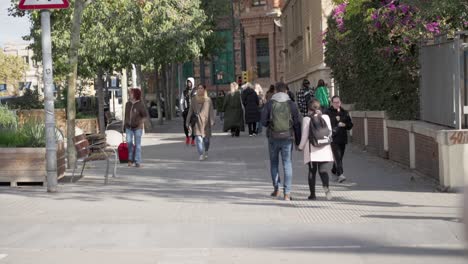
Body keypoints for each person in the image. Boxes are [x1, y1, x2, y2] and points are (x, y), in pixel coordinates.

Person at [261, 82, 301, 201]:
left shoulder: (270, 103)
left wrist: (270, 124)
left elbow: (263, 121)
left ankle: (276, 189)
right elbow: (297, 123)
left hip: (273, 137)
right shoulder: (292, 104)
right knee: (287, 164)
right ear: (286, 91)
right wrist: (298, 141)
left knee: (274, 163)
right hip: (287, 138)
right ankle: (287, 193)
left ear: (275, 91)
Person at [298, 99, 334, 200]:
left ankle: (312, 194)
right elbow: (330, 132)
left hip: (312, 150)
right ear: (319, 108)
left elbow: (304, 136)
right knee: (323, 170)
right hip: (324, 147)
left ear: (309, 109)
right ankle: (327, 191)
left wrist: (300, 147)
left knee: (312, 171)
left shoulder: (307, 119)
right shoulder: (326, 117)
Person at [186, 84, 215, 161]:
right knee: (198, 139)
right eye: (198, 88)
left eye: (201, 88)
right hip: (197, 122)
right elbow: (190, 111)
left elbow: (211, 111)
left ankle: (206, 151)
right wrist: (187, 121)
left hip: (206, 123)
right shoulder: (194, 99)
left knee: (206, 141)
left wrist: (212, 120)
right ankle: (201, 154)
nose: (200, 89)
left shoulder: (208, 100)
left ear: (204, 90)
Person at [327, 95, 353, 183]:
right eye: (335, 102)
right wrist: (335, 119)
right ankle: (340, 174)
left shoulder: (344, 112)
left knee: (340, 157)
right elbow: (325, 123)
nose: (337, 104)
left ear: (340, 102)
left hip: (342, 138)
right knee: (337, 157)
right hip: (333, 138)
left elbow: (350, 125)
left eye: (338, 102)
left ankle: (334, 170)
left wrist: (345, 125)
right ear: (332, 103)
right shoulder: (328, 112)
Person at [124, 88, 148, 168]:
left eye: (131, 93)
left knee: (137, 145)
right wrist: (124, 124)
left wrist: (140, 123)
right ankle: (130, 159)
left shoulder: (140, 104)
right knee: (129, 143)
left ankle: (137, 162)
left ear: (135, 95)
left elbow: (145, 116)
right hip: (128, 127)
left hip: (138, 128)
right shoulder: (127, 104)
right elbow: (126, 116)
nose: (129, 94)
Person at [180, 77, 196, 146]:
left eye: (190, 82)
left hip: (194, 110)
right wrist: (182, 110)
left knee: (193, 125)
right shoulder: (184, 91)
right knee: (185, 125)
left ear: (192, 83)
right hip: (186, 110)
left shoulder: (196, 91)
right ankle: (187, 137)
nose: (189, 83)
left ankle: (193, 140)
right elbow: (181, 101)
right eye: (188, 82)